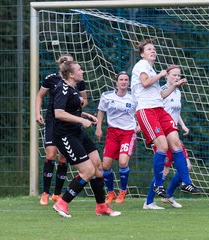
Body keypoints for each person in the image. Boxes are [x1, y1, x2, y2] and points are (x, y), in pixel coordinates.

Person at [130, 39, 199, 210]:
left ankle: (186, 183)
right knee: (162, 146)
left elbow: (161, 95)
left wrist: (174, 85)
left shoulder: (151, 68)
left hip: (159, 109)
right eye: (149, 49)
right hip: (147, 111)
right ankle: (158, 186)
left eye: (154, 49)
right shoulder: (141, 65)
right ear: (142, 53)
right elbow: (146, 82)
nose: (153, 51)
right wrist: (161, 75)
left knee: (175, 143)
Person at [52, 60, 120, 218]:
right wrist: (82, 121)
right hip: (65, 135)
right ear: (70, 74)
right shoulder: (62, 88)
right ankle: (62, 203)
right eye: (79, 69)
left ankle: (101, 207)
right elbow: (59, 113)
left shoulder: (73, 88)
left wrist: (86, 115)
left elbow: (71, 111)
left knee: (98, 166)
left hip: (76, 132)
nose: (82, 72)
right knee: (88, 171)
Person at [36, 54, 88, 205]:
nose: (66, 63)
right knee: (51, 153)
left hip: (69, 123)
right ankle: (45, 192)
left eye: (70, 62)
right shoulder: (52, 78)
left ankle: (57, 194)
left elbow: (84, 100)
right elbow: (40, 95)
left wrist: (77, 110)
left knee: (64, 156)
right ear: (60, 65)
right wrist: (37, 113)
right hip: (53, 120)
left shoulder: (78, 81)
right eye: (64, 61)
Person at [146, 64, 193, 209]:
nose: (177, 77)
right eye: (174, 75)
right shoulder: (161, 91)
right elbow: (157, 112)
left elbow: (174, 113)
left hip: (174, 135)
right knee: (164, 170)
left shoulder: (177, 92)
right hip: (163, 135)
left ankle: (169, 196)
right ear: (166, 76)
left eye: (178, 75)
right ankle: (148, 202)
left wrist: (183, 125)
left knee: (186, 166)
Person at [95, 71, 138, 204]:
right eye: (121, 80)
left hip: (128, 133)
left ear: (129, 82)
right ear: (116, 82)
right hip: (112, 133)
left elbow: (139, 113)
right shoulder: (107, 96)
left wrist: (139, 126)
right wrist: (98, 127)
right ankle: (111, 192)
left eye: (126, 80)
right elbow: (101, 111)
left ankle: (123, 191)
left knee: (123, 162)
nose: (124, 82)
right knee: (105, 165)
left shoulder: (133, 99)